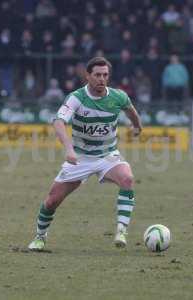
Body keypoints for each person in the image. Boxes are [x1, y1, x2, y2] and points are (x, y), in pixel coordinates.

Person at [28, 57, 143, 251]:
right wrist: (69, 149)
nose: (101, 79)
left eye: (105, 75)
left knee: (127, 179)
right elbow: (58, 121)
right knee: (52, 200)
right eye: (97, 75)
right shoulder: (77, 98)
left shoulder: (118, 97)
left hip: (107, 156)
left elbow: (130, 110)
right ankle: (40, 236)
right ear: (88, 76)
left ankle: (121, 231)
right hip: (80, 158)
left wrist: (137, 126)